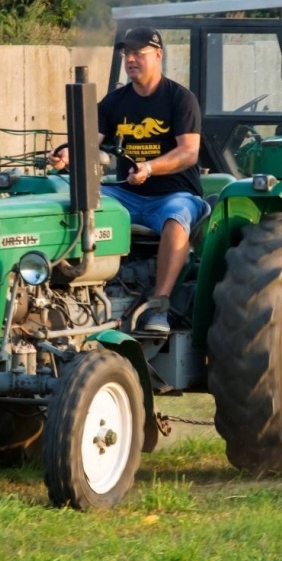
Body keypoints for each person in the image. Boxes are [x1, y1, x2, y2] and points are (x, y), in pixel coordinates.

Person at [97, 27, 206, 335]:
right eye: (126, 54)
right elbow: (91, 143)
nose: (130, 60)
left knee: (176, 217)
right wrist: (67, 155)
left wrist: (149, 168)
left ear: (158, 55)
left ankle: (160, 306)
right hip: (127, 195)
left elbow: (188, 153)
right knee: (86, 204)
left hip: (174, 194)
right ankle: (93, 290)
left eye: (138, 54)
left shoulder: (180, 99)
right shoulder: (114, 102)